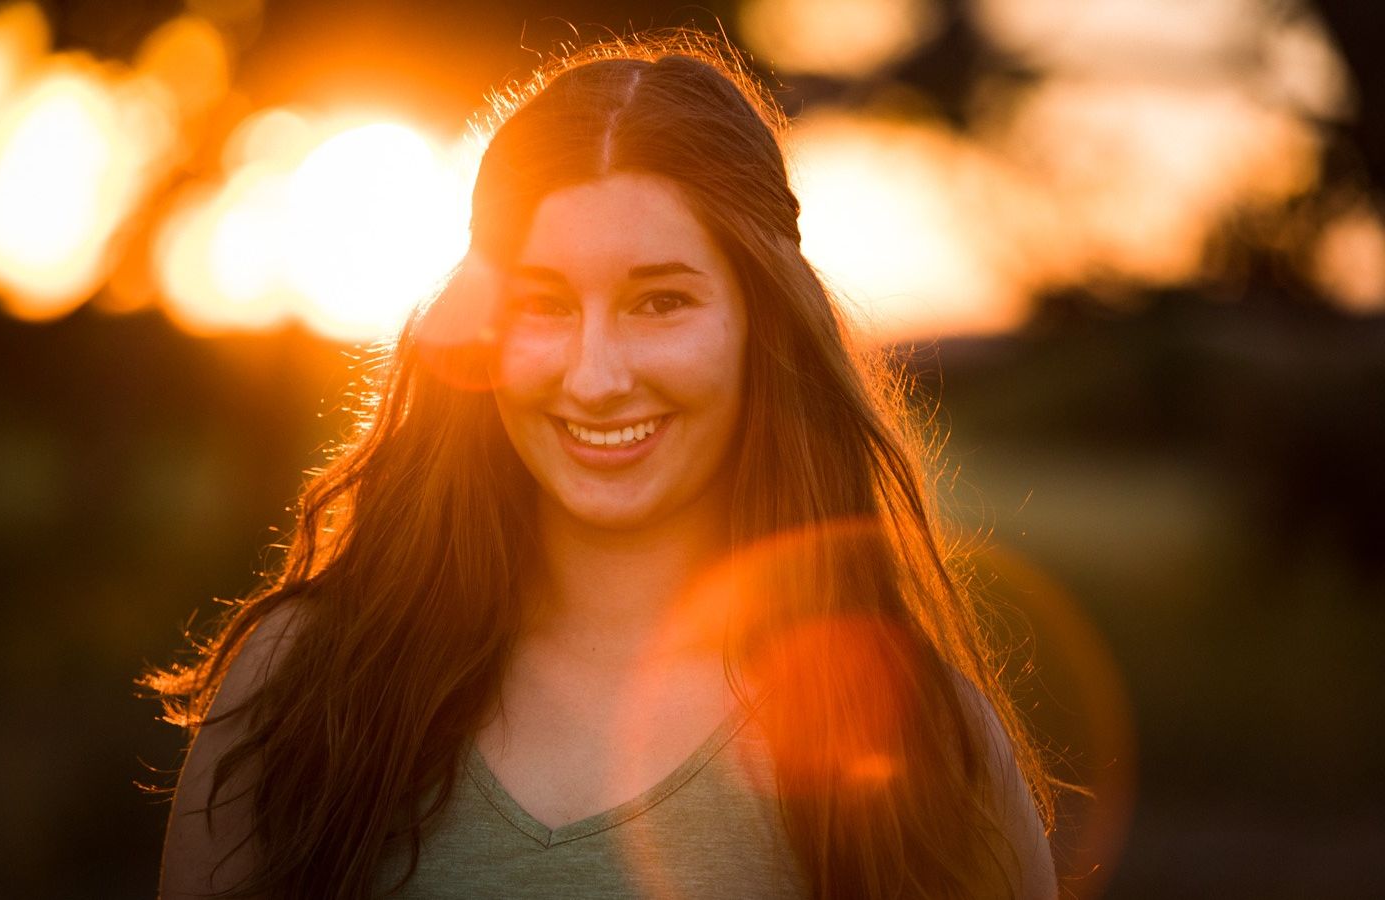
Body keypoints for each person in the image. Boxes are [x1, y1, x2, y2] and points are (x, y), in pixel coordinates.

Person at [151, 30, 1058, 900]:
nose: (595, 378)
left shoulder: (930, 747)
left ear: (765, 324)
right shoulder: (306, 683)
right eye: (544, 304)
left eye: (660, 301)